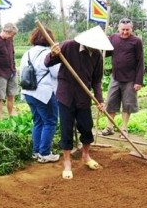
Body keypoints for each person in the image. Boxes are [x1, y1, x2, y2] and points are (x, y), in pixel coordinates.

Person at [44, 26, 113, 179]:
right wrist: (52, 53)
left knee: (86, 127)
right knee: (66, 129)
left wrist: (99, 100)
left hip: (84, 96)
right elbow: (47, 63)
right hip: (66, 95)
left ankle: (86, 156)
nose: (95, 48)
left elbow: (96, 81)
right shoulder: (69, 46)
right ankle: (67, 162)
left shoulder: (97, 56)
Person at [20, 27, 61, 163]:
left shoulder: (27, 53)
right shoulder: (49, 54)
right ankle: (44, 153)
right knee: (50, 121)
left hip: (28, 92)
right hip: (44, 93)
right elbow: (55, 73)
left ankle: (36, 151)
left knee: (38, 121)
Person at [101, 18, 144, 138]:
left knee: (128, 104)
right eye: (123, 29)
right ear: (118, 28)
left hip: (130, 79)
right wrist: (102, 44)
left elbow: (140, 62)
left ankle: (124, 129)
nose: (125, 32)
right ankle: (109, 127)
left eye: (127, 30)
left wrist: (138, 81)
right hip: (115, 77)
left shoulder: (136, 41)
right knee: (111, 102)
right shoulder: (113, 38)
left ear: (131, 29)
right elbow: (106, 53)